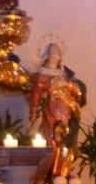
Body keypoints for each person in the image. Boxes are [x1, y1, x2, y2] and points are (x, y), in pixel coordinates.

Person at [27, 37, 86, 174]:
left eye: (59, 51)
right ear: (48, 54)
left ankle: (63, 174)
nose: (58, 53)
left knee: (66, 144)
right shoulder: (42, 74)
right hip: (50, 112)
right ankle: (49, 176)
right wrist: (33, 116)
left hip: (66, 112)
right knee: (51, 143)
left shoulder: (65, 74)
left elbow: (77, 92)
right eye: (54, 50)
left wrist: (66, 84)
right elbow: (35, 96)